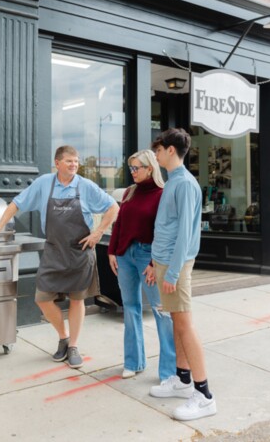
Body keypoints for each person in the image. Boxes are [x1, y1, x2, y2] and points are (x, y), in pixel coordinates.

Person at [0, 145, 119, 369]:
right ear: (57, 163)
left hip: (80, 251)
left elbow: (113, 207)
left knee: (77, 300)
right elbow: (17, 202)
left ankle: (73, 346)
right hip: (54, 250)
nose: (74, 165)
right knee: (42, 298)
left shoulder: (85, 186)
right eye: (69, 161)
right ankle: (63, 336)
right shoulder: (44, 183)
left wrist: (97, 233)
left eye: (76, 161)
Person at [148, 128, 216, 421]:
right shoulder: (173, 181)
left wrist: (173, 272)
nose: (156, 155)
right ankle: (183, 379)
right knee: (176, 322)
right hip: (164, 263)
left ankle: (204, 395)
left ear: (171, 150)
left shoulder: (185, 185)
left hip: (176, 266)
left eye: (159, 150)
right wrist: (155, 264)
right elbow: (167, 228)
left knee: (185, 325)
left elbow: (187, 233)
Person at [108, 149, 176, 380]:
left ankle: (168, 371)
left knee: (161, 311)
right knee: (130, 307)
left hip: (149, 256)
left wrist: (154, 262)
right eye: (131, 168)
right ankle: (133, 361)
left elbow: (165, 231)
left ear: (150, 168)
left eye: (137, 168)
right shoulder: (129, 192)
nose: (133, 172)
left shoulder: (163, 194)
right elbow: (119, 223)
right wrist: (112, 251)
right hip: (125, 255)